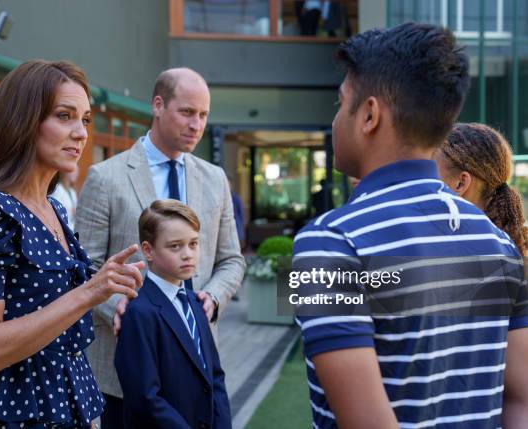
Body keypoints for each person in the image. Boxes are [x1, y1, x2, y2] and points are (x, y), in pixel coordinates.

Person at [293, 23, 528, 428]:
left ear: (368, 115)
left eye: (340, 103)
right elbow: (520, 403)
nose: (335, 121)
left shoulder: (326, 241)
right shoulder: (500, 244)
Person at [0, 60, 144, 429]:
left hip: (77, 406)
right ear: (22, 121)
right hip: (21, 416)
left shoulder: (53, 208)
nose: (81, 133)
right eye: (64, 115)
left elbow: (64, 339)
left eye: (85, 119)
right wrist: (89, 293)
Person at [75, 67, 245, 429]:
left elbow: (231, 259)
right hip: (123, 375)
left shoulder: (215, 179)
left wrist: (212, 299)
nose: (196, 124)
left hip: (196, 367)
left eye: (203, 115)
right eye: (186, 112)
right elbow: (83, 269)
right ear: (157, 105)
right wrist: (120, 307)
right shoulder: (106, 177)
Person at [115, 199, 231, 429]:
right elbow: (145, 397)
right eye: (175, 246)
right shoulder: (140, 313)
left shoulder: (196, 303)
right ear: (148, 250)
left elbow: (214, 376)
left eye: (193, 244)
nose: (188, 254)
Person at [434, 122, 528, 254]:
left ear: (461, 183)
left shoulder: (454, 251)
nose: (424, 180)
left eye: (430, 171)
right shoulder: (506, 247)